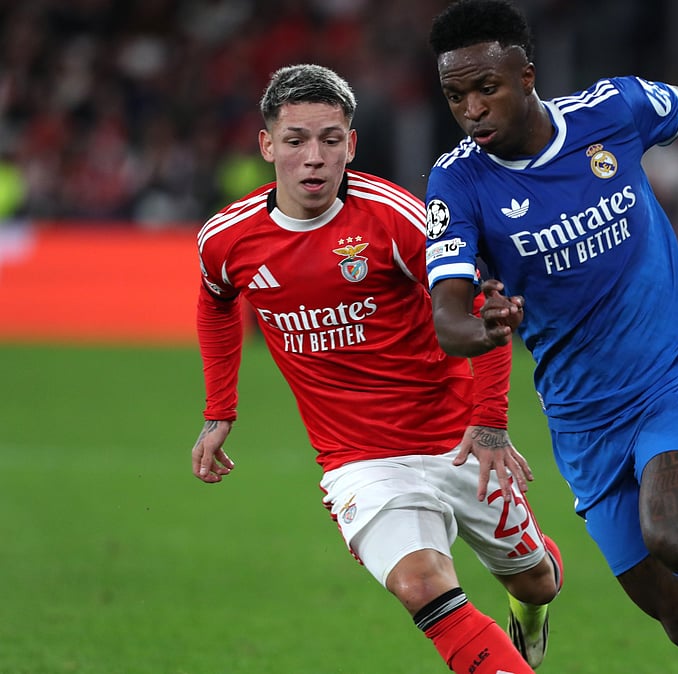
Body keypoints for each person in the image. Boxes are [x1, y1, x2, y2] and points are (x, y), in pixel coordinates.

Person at [424, 2, 678, 673]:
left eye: (486, 89)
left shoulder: (608, 112)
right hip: (583, 418)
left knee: (675, 535)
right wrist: (484, 327)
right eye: (455, 96)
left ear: (526, 75)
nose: (472, 109)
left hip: (676, 371)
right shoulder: (458, 180)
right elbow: (449, 319)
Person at [188, 63, 563, 674]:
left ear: (351, 145)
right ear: (266, 146)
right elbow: (215, 302)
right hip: (357, 460)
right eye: (295, 140)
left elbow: (485, 315)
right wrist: (218, 411)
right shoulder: (227, 239)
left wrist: (490, 422)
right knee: (422, 585)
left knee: (536, 582)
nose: (313, 157)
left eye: (330, 140)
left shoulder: (396, 218)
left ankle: (532, 612)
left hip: (457, 442)